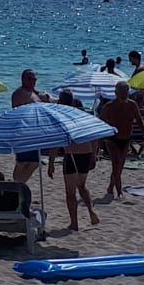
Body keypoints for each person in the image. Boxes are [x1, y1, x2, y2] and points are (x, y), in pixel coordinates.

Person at [49, 91, 99, 230]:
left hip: (71, 154)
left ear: (60, 101)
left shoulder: (61, 117)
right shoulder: (82, 115)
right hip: (86, 153)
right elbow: (94, 136)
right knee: (82, 186)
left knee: (70, 192)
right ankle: (91, 212)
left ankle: (74, 223)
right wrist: (94, 155)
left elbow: (56, 142)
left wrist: (51, 163)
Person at [97, 81, 144, 199]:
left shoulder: (132, 105)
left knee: (119, 168)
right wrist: (99, 142)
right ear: (116, 93)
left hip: (126, 139)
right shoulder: (109, 107)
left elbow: (139, 119)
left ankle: (110, 186)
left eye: (126, 92)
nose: (124, 95)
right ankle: (119, 192)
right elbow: (100, 123)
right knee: (116, 164)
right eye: (121, 93)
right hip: (112, 139)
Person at [10, 69, 43, 183]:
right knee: (23, 162)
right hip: (24, 133)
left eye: (34, 79)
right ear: (23, 79)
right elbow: (18, 113)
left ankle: (18, 183)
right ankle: (17, 183)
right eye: (30, 79)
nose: (33, 81)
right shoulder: (19, 93)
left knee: (34, 162)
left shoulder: (34, 94)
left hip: (34, 134)